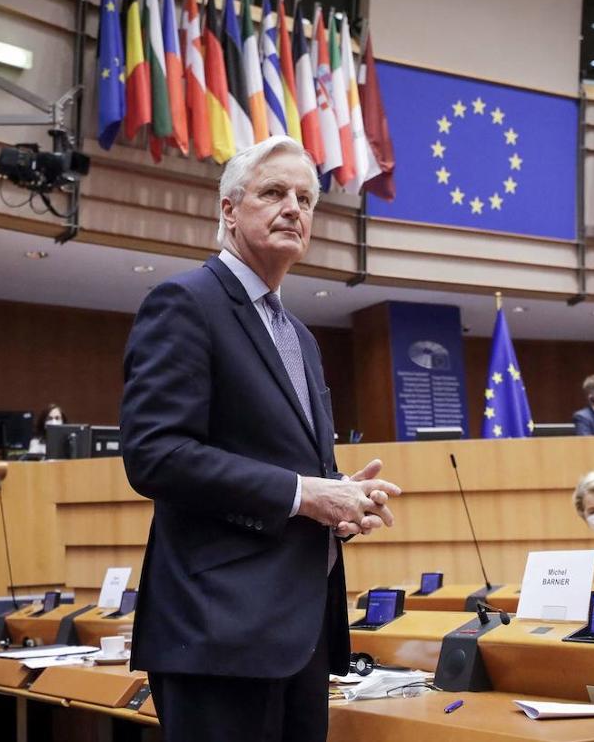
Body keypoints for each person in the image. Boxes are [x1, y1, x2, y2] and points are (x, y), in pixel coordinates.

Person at [120, 136, 401, 742]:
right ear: (228, 209)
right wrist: (303, 494)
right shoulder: (184, 303)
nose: (293, 208)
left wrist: (342, 500)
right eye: (273, 192)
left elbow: (284, 464)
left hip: (299, 632)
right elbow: (155, 454)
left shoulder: (299, 335)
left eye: (305, 198)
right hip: (219, 628)